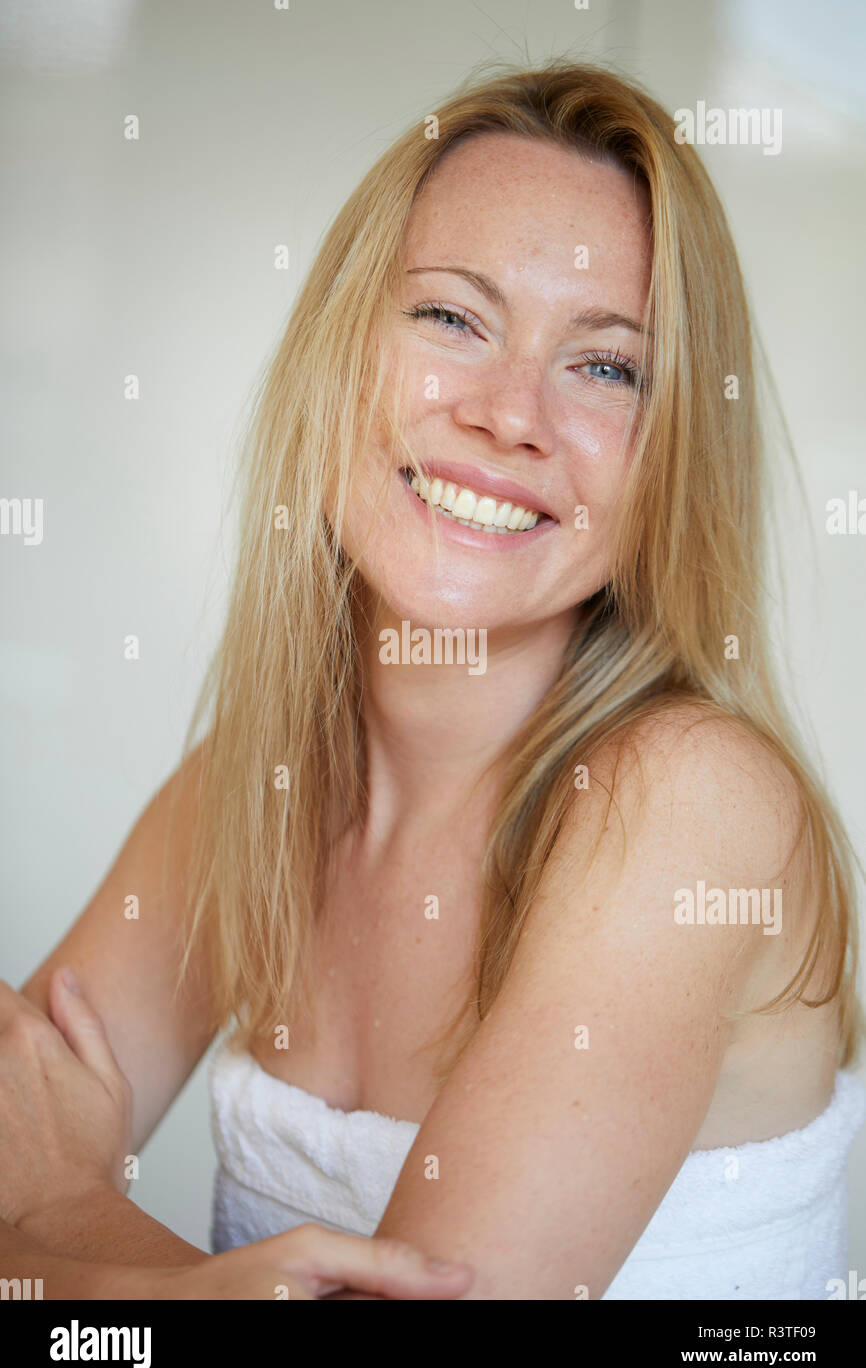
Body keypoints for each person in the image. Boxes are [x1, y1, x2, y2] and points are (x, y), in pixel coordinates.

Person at [2, 59, 863, 1301]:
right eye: (452, 317)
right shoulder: (257, 784)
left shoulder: (693, 808)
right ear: (338, 356)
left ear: (671, 453)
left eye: (605, 366)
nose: (510, 415)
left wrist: (55, 1214)